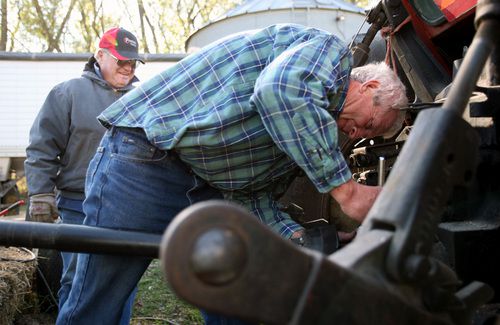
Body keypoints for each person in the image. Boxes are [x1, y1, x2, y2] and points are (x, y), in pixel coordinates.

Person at [57, 24, 407, 324]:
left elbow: (252, 197)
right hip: (146, 160)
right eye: (371, 124)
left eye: (370, 136)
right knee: (99, 296)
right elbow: (278, 90)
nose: (360, 135)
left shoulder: (309, 132)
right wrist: (348, 191)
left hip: (207, 186)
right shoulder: (329, 53)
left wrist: (303, 240)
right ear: (369, 88)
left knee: (234, 295)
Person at [24, 27, 144, 323]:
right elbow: (42, 147)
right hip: (78, 204)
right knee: (77, 279)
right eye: (121, 61)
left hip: (126, 207)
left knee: (122, 282)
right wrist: (40, 193)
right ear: (100, 55)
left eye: (133, 63)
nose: (128, 68)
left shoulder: (142, 99)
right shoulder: (68, 93)